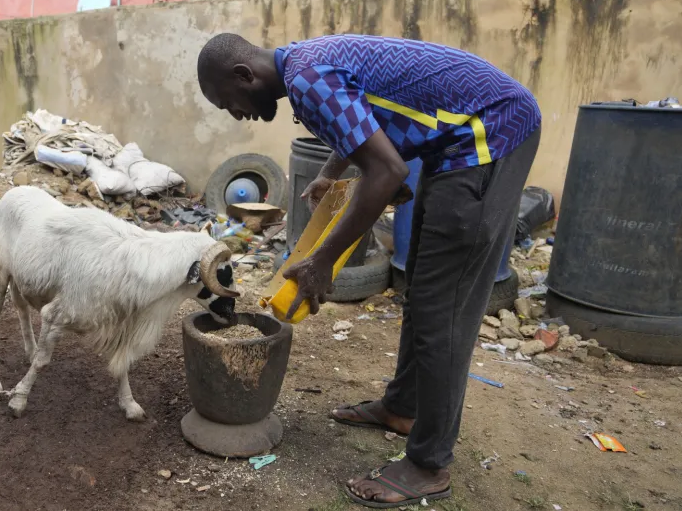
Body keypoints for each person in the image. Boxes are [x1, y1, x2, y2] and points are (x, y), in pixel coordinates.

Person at [196, 33, 541, 508]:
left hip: (491, 133)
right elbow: (363, 123)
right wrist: (331, 172)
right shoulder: (303, 65)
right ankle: (403, 409)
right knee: (422, 286)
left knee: (444, 311)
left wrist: (321, 262)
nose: (236, 114)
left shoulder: (307, 78)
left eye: (228, 102)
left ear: (243, 76)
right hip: (457, 144)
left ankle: (428, 465)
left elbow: (388, 172)